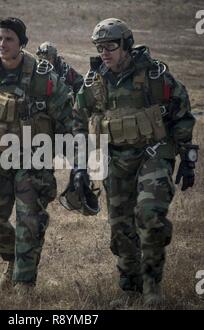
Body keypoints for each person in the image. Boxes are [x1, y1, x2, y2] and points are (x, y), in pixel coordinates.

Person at [70, 18, 198, 307]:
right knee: (120, 228)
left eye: (110, 46)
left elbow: (181, 112)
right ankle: (131, 290)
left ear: (126, 44)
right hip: (114, 160)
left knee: (150, 216)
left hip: (152, 155)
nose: (104, 52)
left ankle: (153, 289)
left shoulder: (154, 76)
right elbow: (77, 121)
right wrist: (79, 165)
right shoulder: (94, 82)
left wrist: (188, 157)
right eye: (100, 47)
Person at [0, 17, 73, 296]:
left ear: (22, 44)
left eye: (8, 39)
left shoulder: (43, 76)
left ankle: (24, 286)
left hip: (35, 158)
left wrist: (77, 164)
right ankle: (14, 258)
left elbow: (68, 118)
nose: (2, 44)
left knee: (29, 221)